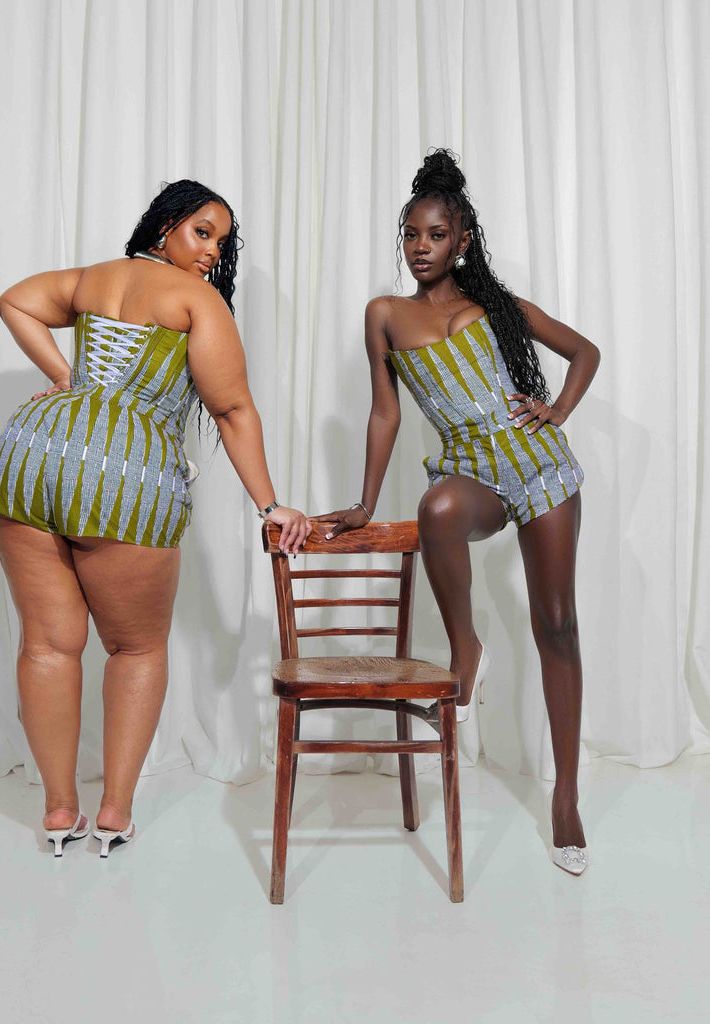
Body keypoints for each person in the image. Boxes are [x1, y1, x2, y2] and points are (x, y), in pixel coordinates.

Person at [0, 179, 311, 857]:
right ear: (164, 226)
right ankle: (112, 814)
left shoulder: (95, 276)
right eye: (202, 231)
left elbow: (14, 300)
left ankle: (57, 811)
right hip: (122, 476)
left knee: (47, 643)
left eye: (222, 243)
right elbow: (232, 410)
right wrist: (270, 505)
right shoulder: (197, 302)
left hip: (30, 452)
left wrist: (67, 380)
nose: (213, 253)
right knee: (135, 647)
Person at [314, 151, 600, 875]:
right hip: (474, 473)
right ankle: (464, 651)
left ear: (461, 238)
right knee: (436, 505)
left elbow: (582, 351)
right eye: (410, 234)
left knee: (557, 624)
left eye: (434, 235)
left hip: (540, 469)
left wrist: (557, 410)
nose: (419, 247)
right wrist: (363, 503)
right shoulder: (385, 315)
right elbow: (384, 414)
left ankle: (565, 797)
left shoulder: (493, 308)